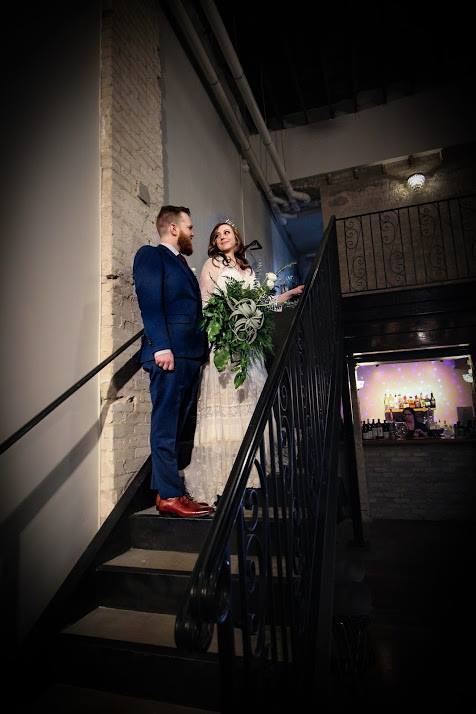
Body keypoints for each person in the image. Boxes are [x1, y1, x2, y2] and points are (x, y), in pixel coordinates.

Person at [183, 219, 304, 507]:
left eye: (227, 232)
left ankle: (250, 474)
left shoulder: (247, 270)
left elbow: (257, 304)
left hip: (248, 345)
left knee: (248, 404)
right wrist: (223, 326)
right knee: (227, 401)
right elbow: (205, 303)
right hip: (225, 343)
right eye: (217, 235)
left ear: (236, 238)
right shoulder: (212, 264)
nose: (222, 237)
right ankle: (222, 476)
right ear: (214, 243)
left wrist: (285, 296)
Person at [133, 205, 214, 517]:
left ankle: (170, 489)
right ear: (173, 228)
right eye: (189, 227)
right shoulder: (151, 256)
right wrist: (161, 346)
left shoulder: (181, 264)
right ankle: (169, 495)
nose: (193, 232)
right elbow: (150, 302)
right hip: (170, 354)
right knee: (166, 425)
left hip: (190, 354)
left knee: (180, 427)